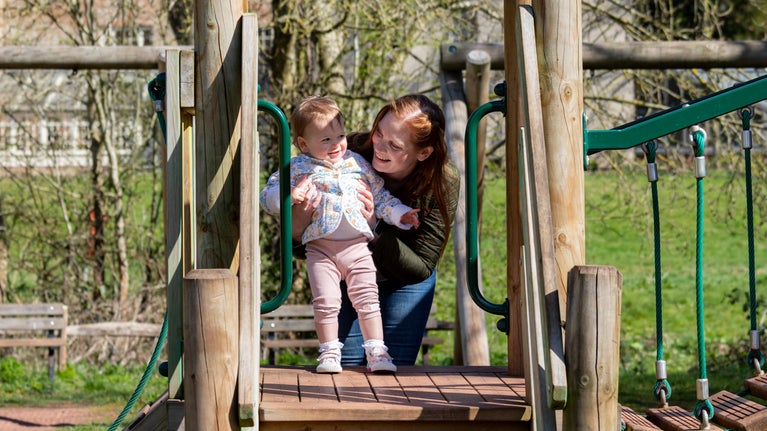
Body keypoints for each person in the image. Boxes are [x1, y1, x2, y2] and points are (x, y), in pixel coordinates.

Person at [292, 94, 459, 366]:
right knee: (346, 363)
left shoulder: (441, 182)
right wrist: (298, 224)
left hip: (404, 278)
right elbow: (305, 242)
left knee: (393, 367)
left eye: (394, 145)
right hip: (346, 265)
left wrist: (373, 226)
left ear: (423, 152)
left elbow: (422, 265)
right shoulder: (346, 152)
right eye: (379, 133)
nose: (380, 146)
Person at [260, 96, 420, 374]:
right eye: (326, 140)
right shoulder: (297, 168)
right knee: (326, 301)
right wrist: (287, 195)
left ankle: (377, 350)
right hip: (321, 250)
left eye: (341, 136)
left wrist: (400, 214)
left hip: (358, 247)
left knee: (367, 298)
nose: (336, 145)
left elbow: (379, 196)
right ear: (304, 144)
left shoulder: (356, 163)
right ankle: (329, 351)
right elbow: (266, 197)